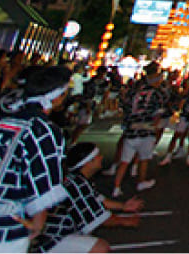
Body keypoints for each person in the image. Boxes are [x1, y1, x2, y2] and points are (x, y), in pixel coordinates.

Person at [0, 65, 72, 252]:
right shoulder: (41, 129)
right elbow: (42, 179)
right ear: (58, 97)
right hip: (6, 227)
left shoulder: (0, 123)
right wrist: (38, 223)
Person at [38, 142, 143, 253]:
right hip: (53, 239)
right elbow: (100, 218)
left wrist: (123, 206)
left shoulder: (75, 179)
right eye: (98, 156)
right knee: (99, 247)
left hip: (53, 233)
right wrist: (125, 221)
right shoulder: (78, 185)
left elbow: (99, 200)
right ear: (89, 162)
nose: (101, 157)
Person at [112, 63, 166, 198]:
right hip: (146, 130)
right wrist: (155, 123)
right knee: (144, 158)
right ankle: (141, 181)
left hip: (131, 130)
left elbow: (125, 107)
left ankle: (116, 187)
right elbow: (159, 113)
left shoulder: (133, 92)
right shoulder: (156, 94)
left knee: (125, 161)